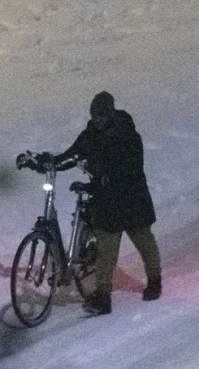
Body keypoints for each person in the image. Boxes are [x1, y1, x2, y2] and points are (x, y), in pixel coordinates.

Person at [20, 91, 161, 315]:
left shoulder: (127, 134)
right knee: (106, 251)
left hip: (131, 198)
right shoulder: (89, 136)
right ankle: (102, 297)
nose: (98, 120)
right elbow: (70, 156)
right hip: (107, 201)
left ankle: (155, 281)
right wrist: (43, 163)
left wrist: (103, 174)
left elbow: (130, 167)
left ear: (111, 114)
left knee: (143, 241)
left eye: (102, 115)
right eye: (94, 115)